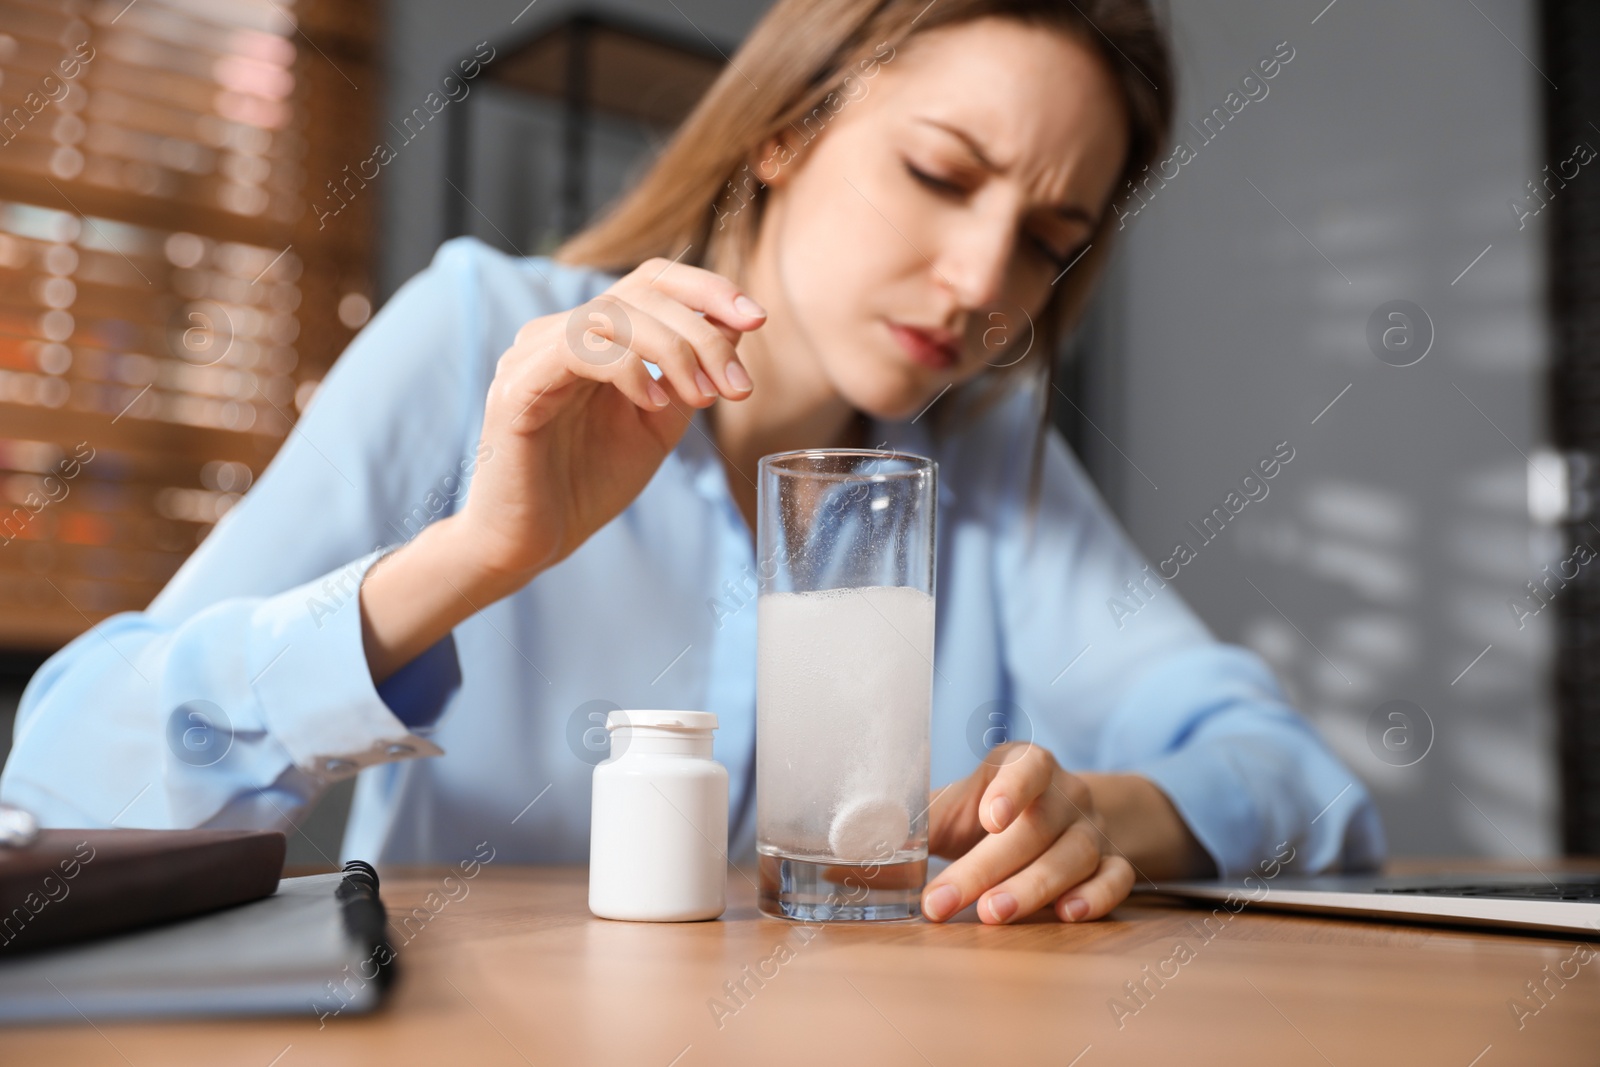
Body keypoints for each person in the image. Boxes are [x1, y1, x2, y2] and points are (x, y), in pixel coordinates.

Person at [0, 0, 1381, 926]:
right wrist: (473, 557)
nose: (981, 279)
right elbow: (62, 792)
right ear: (785, 128)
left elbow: (1301, 788)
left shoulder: (983, 459)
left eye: (1045, 237)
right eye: (945, 175)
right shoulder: (483, 336)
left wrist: (1108, 814)